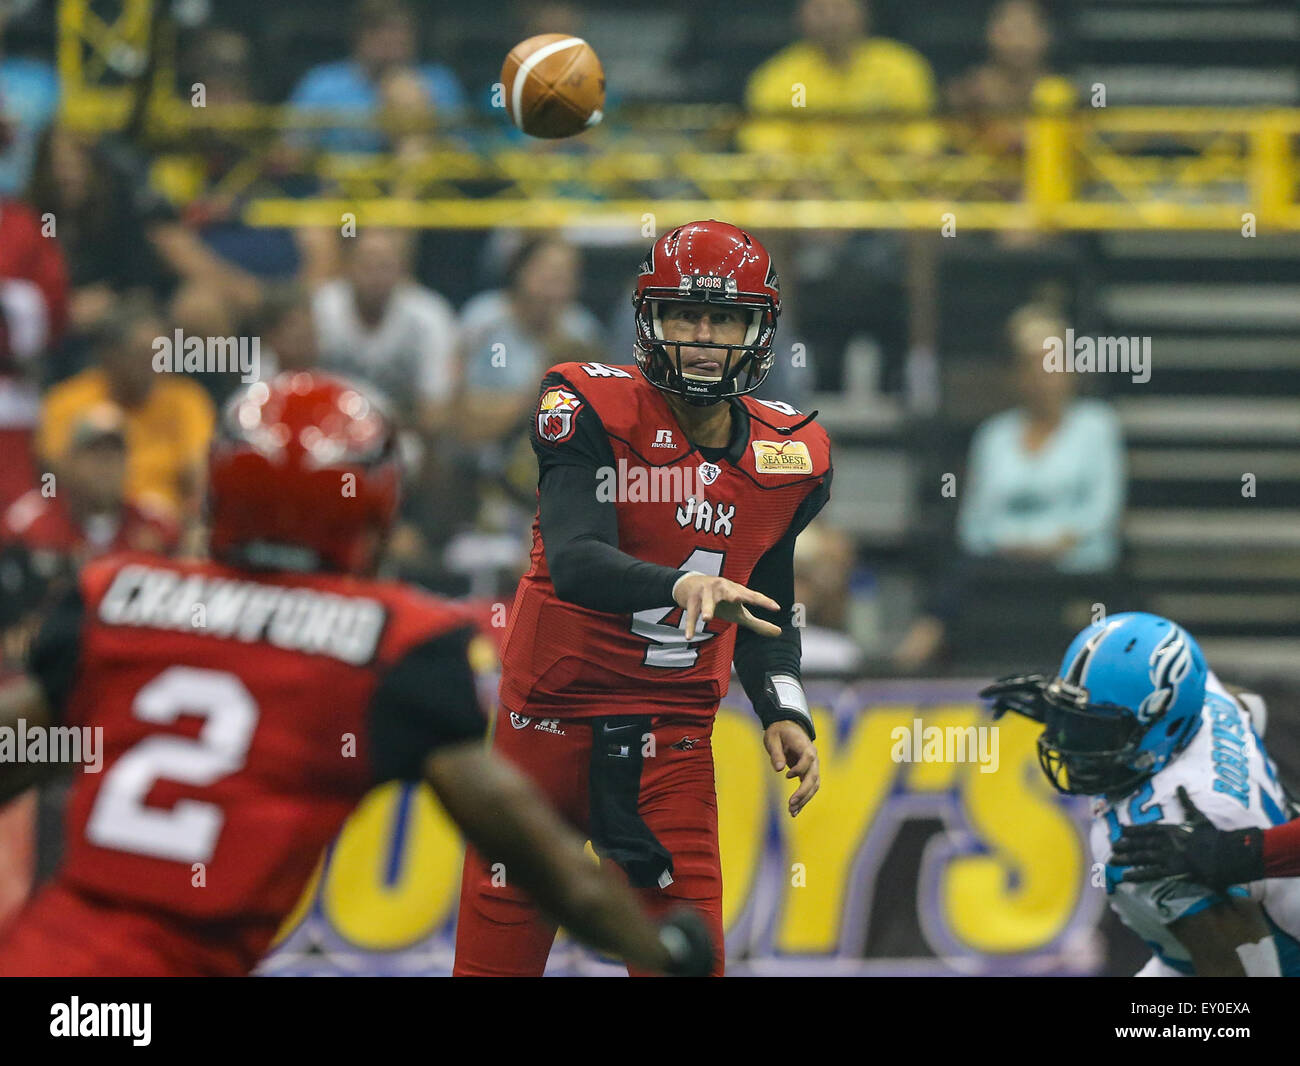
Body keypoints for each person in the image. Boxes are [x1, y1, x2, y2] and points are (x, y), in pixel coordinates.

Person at [0, 370, 713, 977]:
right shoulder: (390, 644)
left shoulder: (115, 596)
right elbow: (534, 852)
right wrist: (657, 945)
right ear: (369, 502)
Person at [454, 220, 832, 977]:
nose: (701, 336)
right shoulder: (586, 404)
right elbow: (575, 561)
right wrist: (681, 584)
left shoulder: (793, 454)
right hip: (545, 733)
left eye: (723, 318)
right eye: (683, 315)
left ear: (757, 331)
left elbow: (767, 610)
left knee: (688, 967)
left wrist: (785, 706)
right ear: (648, 321)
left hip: (672, 744)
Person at [981, 612, 1299, 976]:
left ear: (1167, 723)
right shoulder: (1201, 701)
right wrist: (1078, 716)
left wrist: (1233, 853)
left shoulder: (1163, 828)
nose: (1069, 748)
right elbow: (1247, 709)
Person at [37, 296, 215, 526]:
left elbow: (200, 481)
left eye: (161, 354)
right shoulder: (67, 401)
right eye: (142, 355)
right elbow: (54, 478)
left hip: (167, 534)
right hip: (91, 527)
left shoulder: (186, 400)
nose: (155, 366)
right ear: (109, 356)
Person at [740, 0, 937, 157]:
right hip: (806, 193)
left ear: (864, 12)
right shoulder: (780, 78)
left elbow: (921, 140)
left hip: (890, 192)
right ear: (799, 17)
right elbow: (768, 149)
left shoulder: (900, 67)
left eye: (841, 7)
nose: (831, 18)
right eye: (820, 9)